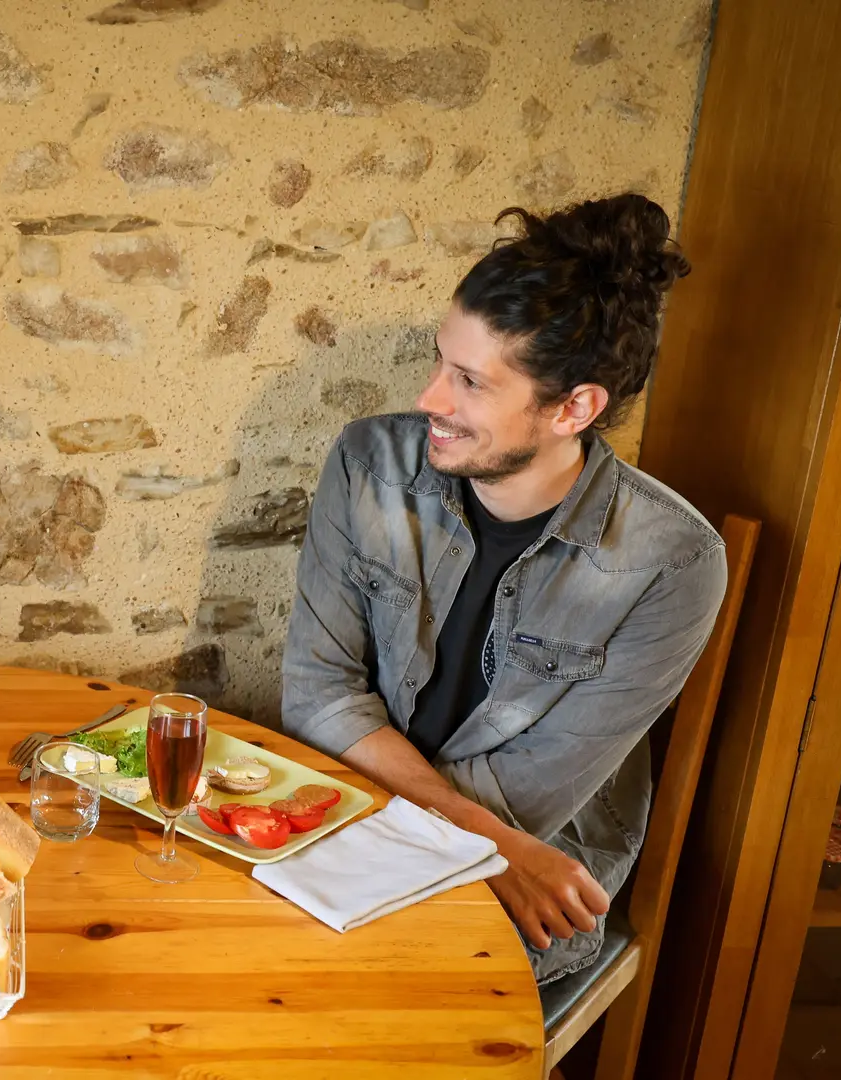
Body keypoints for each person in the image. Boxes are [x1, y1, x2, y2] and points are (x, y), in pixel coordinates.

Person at [279, 193, 726, 984]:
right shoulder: (370, 462)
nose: (429, 399)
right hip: (388, 820)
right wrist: (479, 839)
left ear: (574, 407)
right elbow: (318, 694)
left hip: (532, 869)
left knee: (348, 986)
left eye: (469, 382)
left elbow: (528, 801)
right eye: (439, 362)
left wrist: (473, 839)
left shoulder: (671, 561)